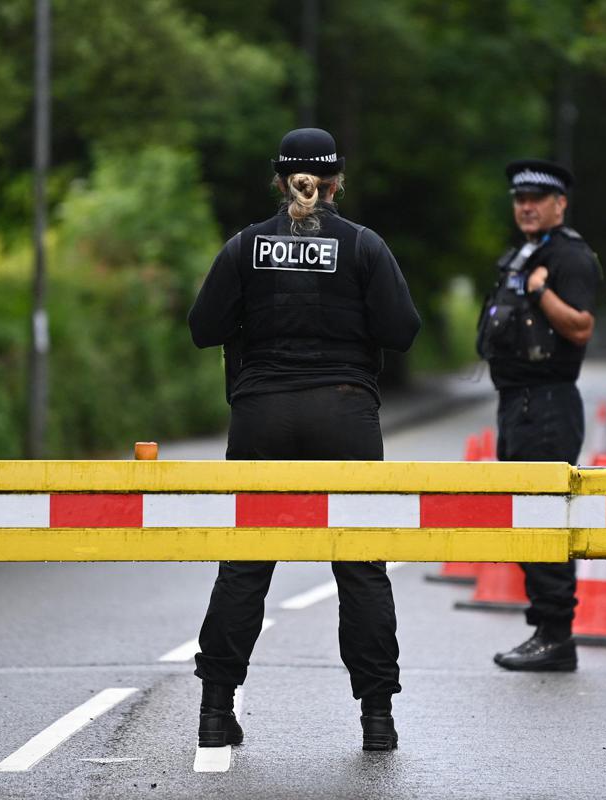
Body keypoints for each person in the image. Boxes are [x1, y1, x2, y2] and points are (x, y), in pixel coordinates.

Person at [187, 127, 421, 751]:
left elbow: (203, 328)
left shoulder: (245, 247)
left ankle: (215, 711)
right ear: (336, 182)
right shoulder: (364, 246)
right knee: (361, 563)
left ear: (279, 179)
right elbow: (401, 332)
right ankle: (377, 719)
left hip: (261, 415)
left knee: (245, 562)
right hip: (345, 414)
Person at [476, 159, 602, 672]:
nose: (526, 207)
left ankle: (556, 635)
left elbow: (581, 327)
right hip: (518, 404)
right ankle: (545, 630)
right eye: (519, 199)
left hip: (547, 404)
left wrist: (540, 292)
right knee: (527, 519)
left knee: (544, 520)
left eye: (536, 199)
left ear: (560, 204)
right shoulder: (523, 254)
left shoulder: (570, 256)